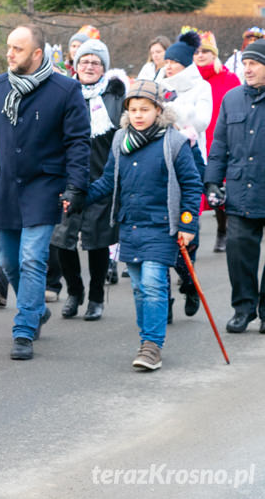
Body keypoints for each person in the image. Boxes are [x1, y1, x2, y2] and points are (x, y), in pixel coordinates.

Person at [0, 24, 90, 361]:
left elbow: (78, 142)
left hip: (45, 185)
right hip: (7, 186)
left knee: (33, 259)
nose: (9, 54)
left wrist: (76, 185)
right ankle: (35, 311)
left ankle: (23, 330)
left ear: (37, 54)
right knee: (7, 261)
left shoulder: (65, 90)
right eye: (9, 47)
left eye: (17, 49)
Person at [86, 80, 201, 369]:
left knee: (152, 284)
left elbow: (191, 184)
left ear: (158, 110)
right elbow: (108, 182)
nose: (138, 114)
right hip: (131, 226)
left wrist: (188, 224)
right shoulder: (119, 141)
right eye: (133, 109)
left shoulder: (174, 142)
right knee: (138, 287)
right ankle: (145, 340)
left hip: (162, 226)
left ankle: (152, 346)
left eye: (145, 109)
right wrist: (78, 196)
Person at [51, 39, 125, 322]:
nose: (90, 67)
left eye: (95, 62)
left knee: (97, 242)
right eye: (84, 61)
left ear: (104, 67)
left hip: (103, 179)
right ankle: (74, 291)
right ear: (76, 65)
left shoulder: (116, 95)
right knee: (62, 239)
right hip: (68, 178)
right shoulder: (63, 93)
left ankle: (96, 298)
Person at [204, 38, 265, 333]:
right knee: (238, 252)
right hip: (241, 190)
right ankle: (243, 308)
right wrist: (213, 181)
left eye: (254, 64)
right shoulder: (231, 99)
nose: (248, 69)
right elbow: (219, 145)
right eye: (245, 64)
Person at [192, 29, 240, 253]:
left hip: (221, 139)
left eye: (205, 51)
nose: (200, 55)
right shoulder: (190, 78)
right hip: (197, 138)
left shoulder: (229, 78)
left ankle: (223, 229)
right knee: (192, 190)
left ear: (214, 54)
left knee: (218, 188)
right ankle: (191, 239)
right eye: (197, 52)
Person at [158, 30, 212, 157]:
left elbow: (202, 122)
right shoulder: (160, 85)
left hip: (191, 154)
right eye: (166, 62)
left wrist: (171, 109)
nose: (168, 67)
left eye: (174, 62)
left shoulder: (201, 86)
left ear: (185, 64)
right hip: (161, 154)